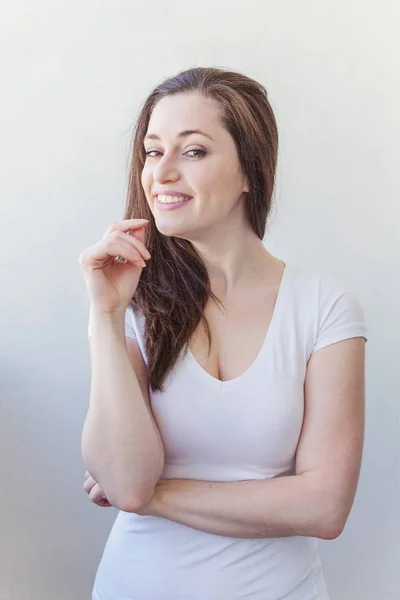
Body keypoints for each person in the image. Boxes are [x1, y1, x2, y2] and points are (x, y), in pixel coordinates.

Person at [79, 66, 367, 600]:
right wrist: (105, 316)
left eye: (193, 152)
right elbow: (123, 477)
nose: (161, 173)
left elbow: (325, 507)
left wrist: (152, 497)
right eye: (152, 150)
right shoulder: (132, 301)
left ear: (248, 172)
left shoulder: (325, 307)